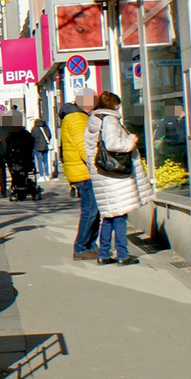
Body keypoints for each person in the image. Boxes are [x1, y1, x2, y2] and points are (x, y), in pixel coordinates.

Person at [84, 92, 154, 265]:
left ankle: (103, 254)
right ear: (114, 104)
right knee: (120, 216)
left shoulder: (94, 120)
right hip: (115, 175)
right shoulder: (110, 120)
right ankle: (122, 254)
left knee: (108, 215)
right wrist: (130, 140)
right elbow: (113, 143)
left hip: (101, 173)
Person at [60, 95, 96, 258]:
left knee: (92, 210)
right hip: (83, 171)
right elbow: (83, 146)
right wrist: (95, 165)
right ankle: (82, 247)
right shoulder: (77, 118)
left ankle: (89, 245)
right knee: (91, 210)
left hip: (78, 170)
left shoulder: (73, 117)